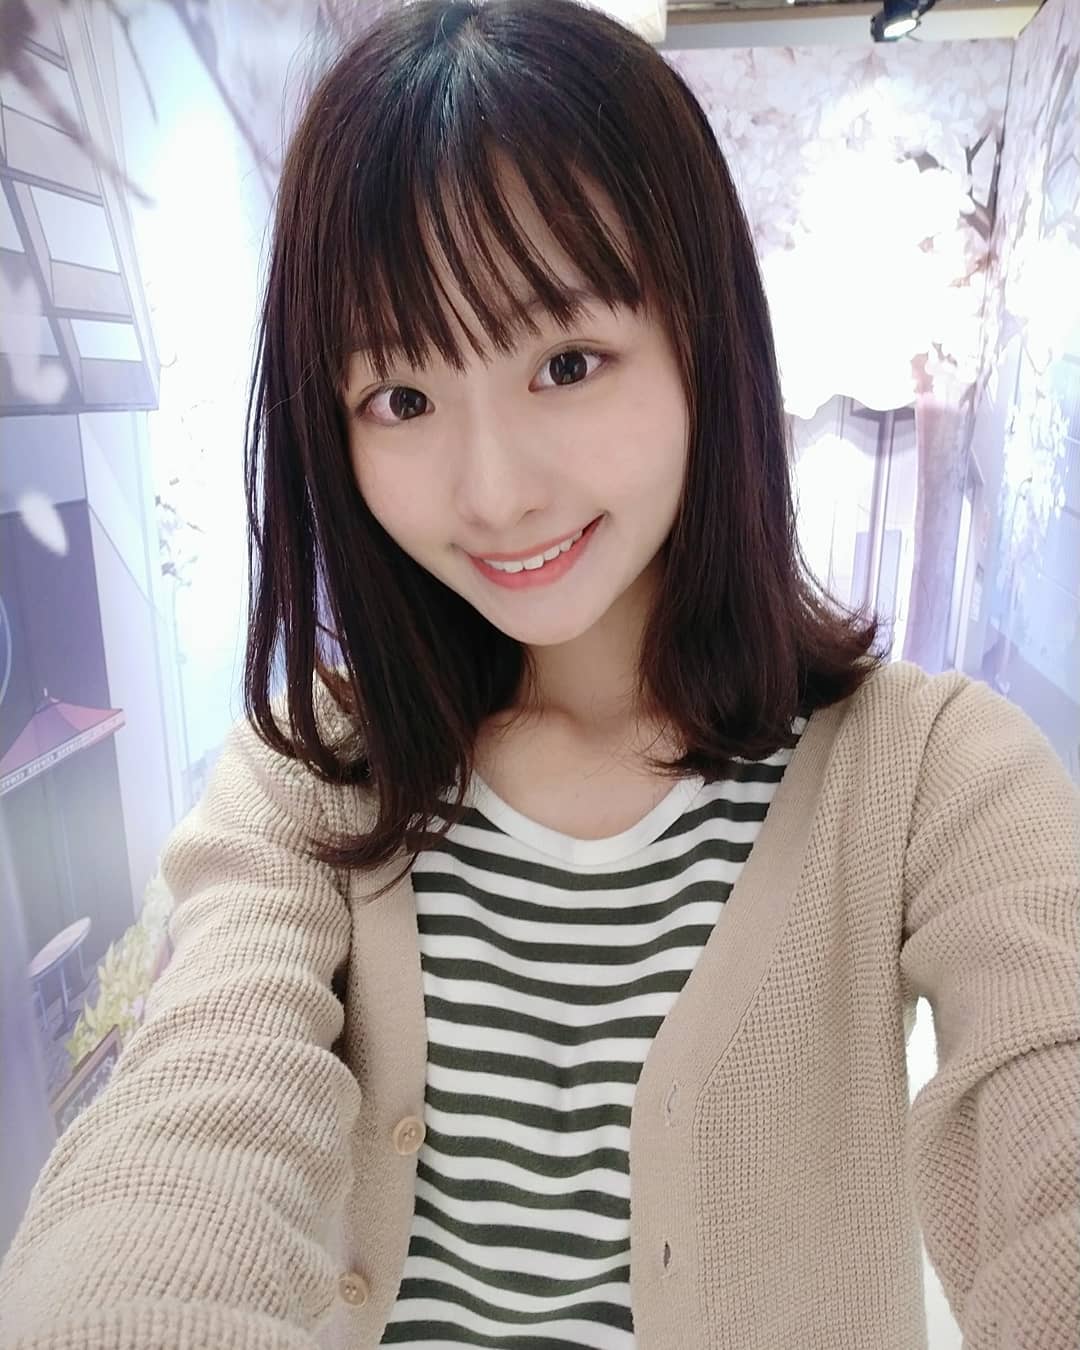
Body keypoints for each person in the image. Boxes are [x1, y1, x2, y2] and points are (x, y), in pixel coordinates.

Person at [1, 1, 1077, 1347]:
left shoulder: (934, 776)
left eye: (567, 363)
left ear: (705, 344)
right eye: (401, 397)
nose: (495, 491)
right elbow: (192, 1117)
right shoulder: (315, 772)